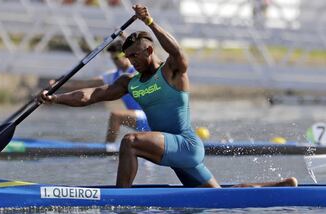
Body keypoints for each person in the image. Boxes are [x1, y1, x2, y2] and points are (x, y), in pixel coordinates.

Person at [39, 4, 298, 188]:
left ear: (149, 50)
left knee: (130, 141)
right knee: (216, 197)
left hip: (185, 145)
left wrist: (150, 23)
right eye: (127, 57)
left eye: (135, 56)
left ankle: (120, 202)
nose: (130, 62)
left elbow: (178, 52)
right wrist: (56, 98)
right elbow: (92, 95)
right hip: (174, 150)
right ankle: (281, 185)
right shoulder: (130, 82)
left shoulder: (172, 72)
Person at [48, 38, 150, 144]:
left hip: (150, 116)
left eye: (116, 58)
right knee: (116, 116)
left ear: (126, 55)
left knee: (116, 115)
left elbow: (143, 53)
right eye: (112, 59)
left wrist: (126, 37)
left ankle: (107, 148)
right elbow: (85, 84)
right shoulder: (113, 75)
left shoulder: (137, 70)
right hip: (141, 120)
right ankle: (109, 148)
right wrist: (58, 85)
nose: (114, 62)